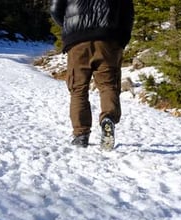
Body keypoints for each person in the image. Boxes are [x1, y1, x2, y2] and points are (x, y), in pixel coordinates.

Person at [50, 0, 134, 150]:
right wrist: (122, 38)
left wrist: (70, 27)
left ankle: (81, 134)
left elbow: (55, 9)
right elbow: (127, 13)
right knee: (108, 85)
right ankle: (108, 118)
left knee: (78, 89)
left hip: (77, 41)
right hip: (108, 39)